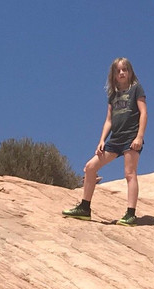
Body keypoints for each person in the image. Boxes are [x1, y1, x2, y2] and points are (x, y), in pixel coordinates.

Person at [62, 57, 147, 226]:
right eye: (118, 71)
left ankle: (131, 214)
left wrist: (139, 137)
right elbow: (108, 120)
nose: (121, 73)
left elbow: (143, 113)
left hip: (131, 137)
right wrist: (102, 140)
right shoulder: (113, 95)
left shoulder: (136, 89)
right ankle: (84, 208)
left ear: (130, 72)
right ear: (113, 75)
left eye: (124, 70)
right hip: (115, 139)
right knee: (90, 167)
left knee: (130, 173)